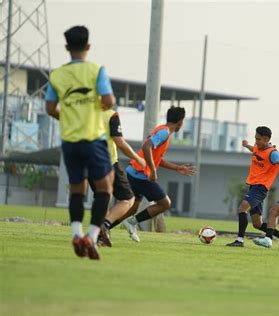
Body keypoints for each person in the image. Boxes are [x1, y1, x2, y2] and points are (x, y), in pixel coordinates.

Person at [45, 25, 114, 260]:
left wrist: (69, 115)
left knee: (77, 189)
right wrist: (93, 110)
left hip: (69, 141)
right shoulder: (96, 71)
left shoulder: (57, 75)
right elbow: (108, 100)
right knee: (105, 188)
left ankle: (76, 233)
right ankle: (92, 237)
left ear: (67, 47)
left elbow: (50, 109)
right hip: (93, 138)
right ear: (88, 47)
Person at [121, 106, 195, 242]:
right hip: (141, 174)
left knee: (131, 207)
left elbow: (157, 159)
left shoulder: (162, 129)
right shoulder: (164, 133)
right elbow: (146, 146)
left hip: (134, 171)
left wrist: (177, 168)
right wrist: (153, 171)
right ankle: (131, 222)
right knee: (165, 203)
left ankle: (105, 227)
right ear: (180, 122)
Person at [226, 126, 279, 249]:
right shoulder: (258, 147)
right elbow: (255, 150)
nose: (256, 141)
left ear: (266, 139)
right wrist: (247, 145)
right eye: (255, 138)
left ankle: (239, 240)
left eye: (258, 139)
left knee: (242, 208)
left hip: (260, 188)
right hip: (253, 186)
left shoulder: (273, 153)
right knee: (257, 224)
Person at [89, 108, 146, 247]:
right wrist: (137, 158)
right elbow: (119, 142)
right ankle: (105, 226)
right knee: (128, 199)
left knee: (102, 199)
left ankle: (97, 237)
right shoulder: (111, 114)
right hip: (107, 163)